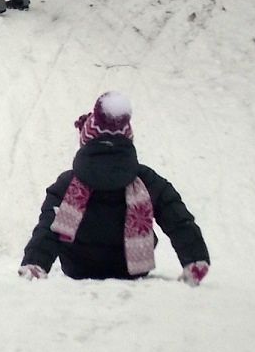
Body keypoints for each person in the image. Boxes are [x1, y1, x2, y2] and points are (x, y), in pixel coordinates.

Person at [19, 92, 210, 285]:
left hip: (79, 268)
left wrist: (35, 261)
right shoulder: (147, 181)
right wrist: (195, 257)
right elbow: (177, 220)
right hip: (131, 270)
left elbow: (49, 226)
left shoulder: (68, 184)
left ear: (85, 142)